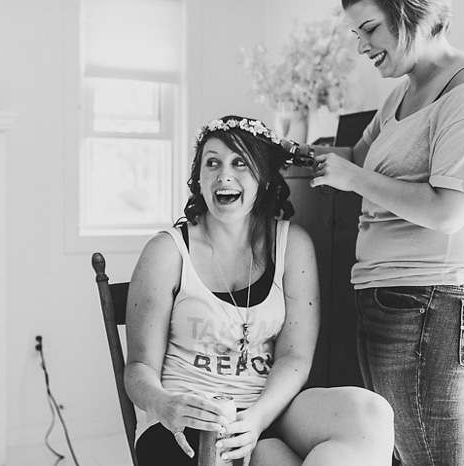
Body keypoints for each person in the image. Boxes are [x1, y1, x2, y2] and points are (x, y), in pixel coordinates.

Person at [285, 1, 464, 464]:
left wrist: (352, 178)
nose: (361, 45)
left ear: (409, 14)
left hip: (433, 303)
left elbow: (450, 212)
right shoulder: (401, 93)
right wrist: (289, 150)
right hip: (393, 297)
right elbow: (356, 158)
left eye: (369, 29)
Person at [124, 115, 395, 466]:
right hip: (186, 420)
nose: (224, 174)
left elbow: (294, 357)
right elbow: (138, 367)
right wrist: (163, 404)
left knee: (370, 414)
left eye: (240, 163)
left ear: (263, 179)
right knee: (272, 457)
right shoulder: (166, 251)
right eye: (212, 163)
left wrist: (256, 420)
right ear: (199, 179)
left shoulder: (292, 245)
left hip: (266, 411)